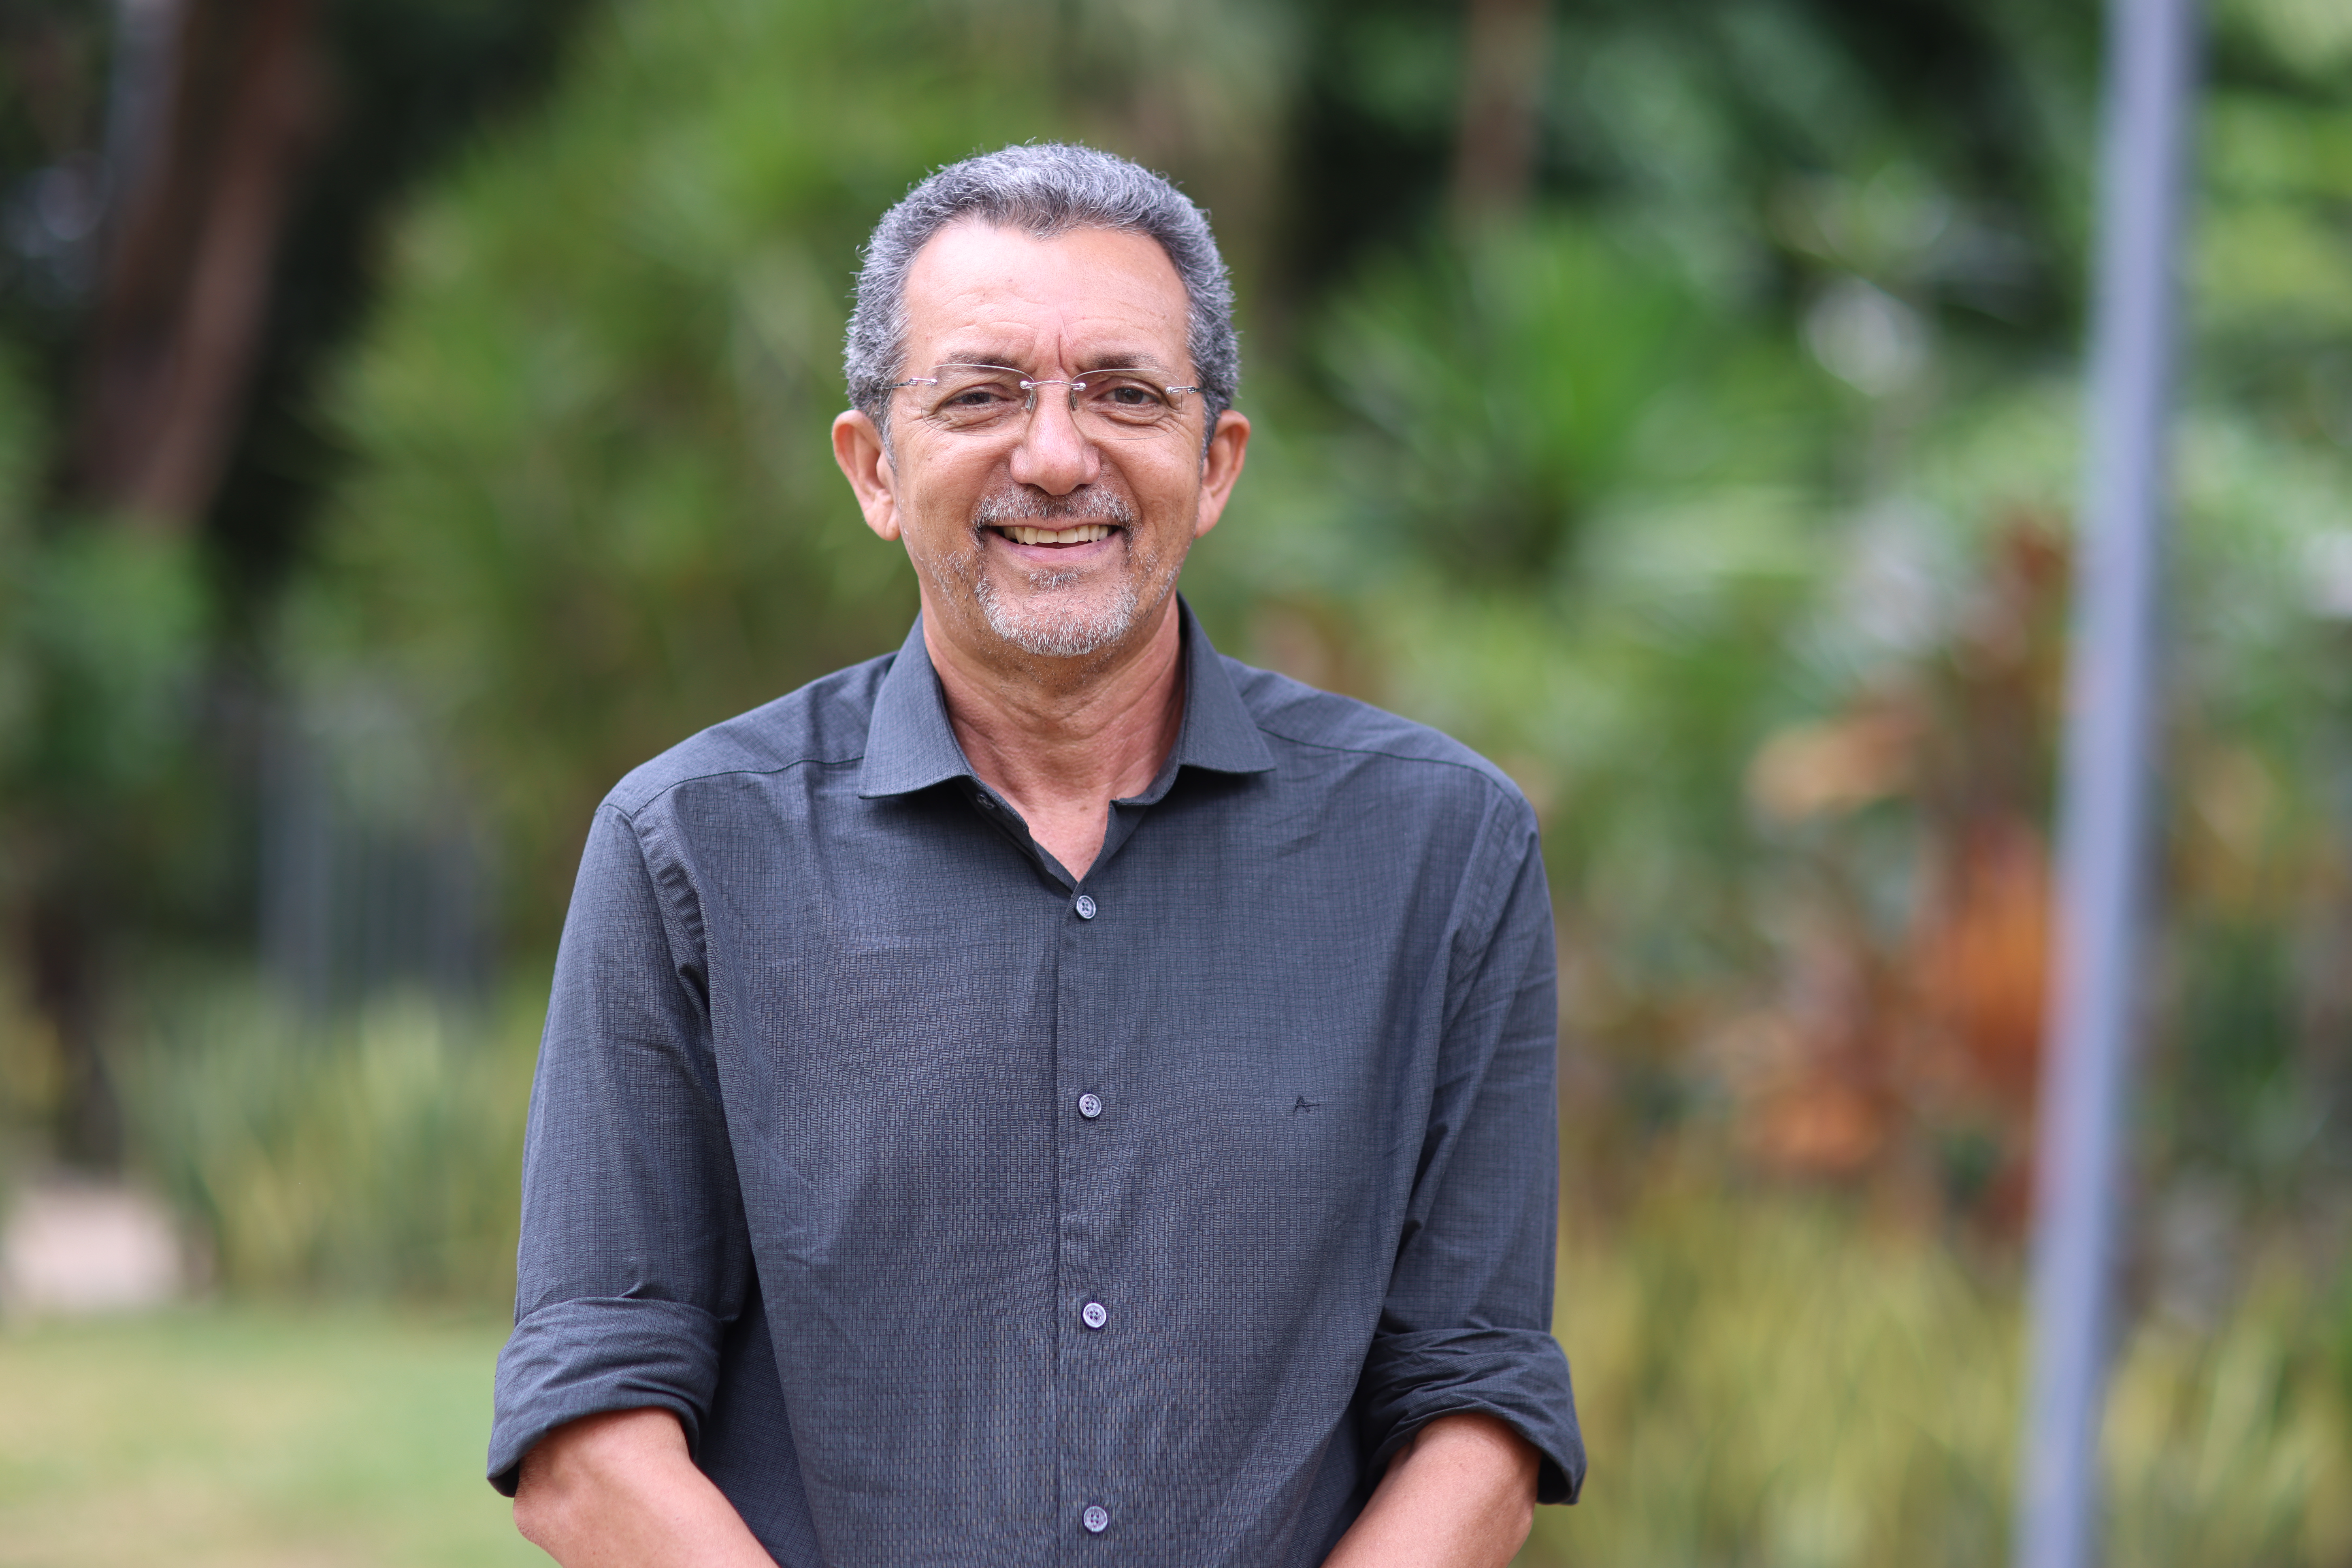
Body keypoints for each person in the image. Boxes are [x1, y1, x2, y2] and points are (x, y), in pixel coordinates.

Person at [490, 142, 1583, 1568]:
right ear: (876, 468)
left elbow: (1481, 1403)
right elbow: (587, 1438)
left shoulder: (1444, 853)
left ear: (1216, 464)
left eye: (1124, 394)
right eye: (983, 395)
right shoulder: (686, 849)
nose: (1057, 455)